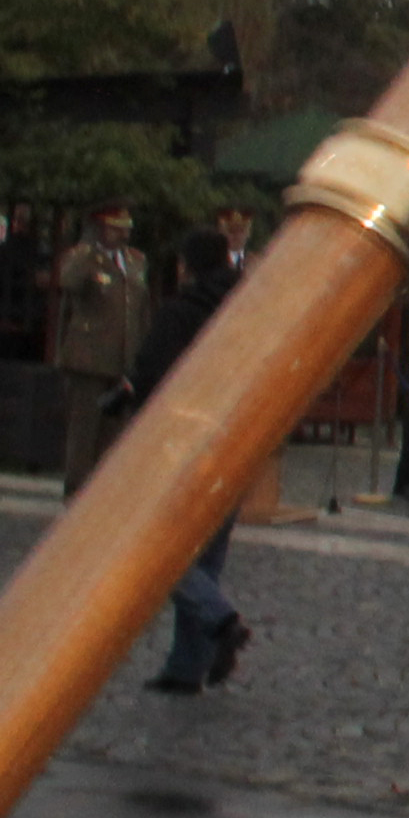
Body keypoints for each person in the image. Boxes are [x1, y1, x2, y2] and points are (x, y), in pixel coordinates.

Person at [135, 232, 254, 694]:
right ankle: (188, 667)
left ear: (186, 266)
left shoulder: (179, 313)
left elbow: (153, 375)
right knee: (207, 557)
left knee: (164, 552)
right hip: (239, 439)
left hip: (186, 445)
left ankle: (220, 620)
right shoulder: (250, 309)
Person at [49, 200, 150, 492]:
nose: (123, 235)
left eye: (125, 229)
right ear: (100, 229)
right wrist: (89, 247)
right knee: (84, 433)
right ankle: (76, 493)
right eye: (115, 229)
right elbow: (68, 282)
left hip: (123, 360)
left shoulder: (135, 260)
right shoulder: (83, 258)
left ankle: (102, 493)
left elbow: (140, 310)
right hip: (88, 360)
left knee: (114, 434)